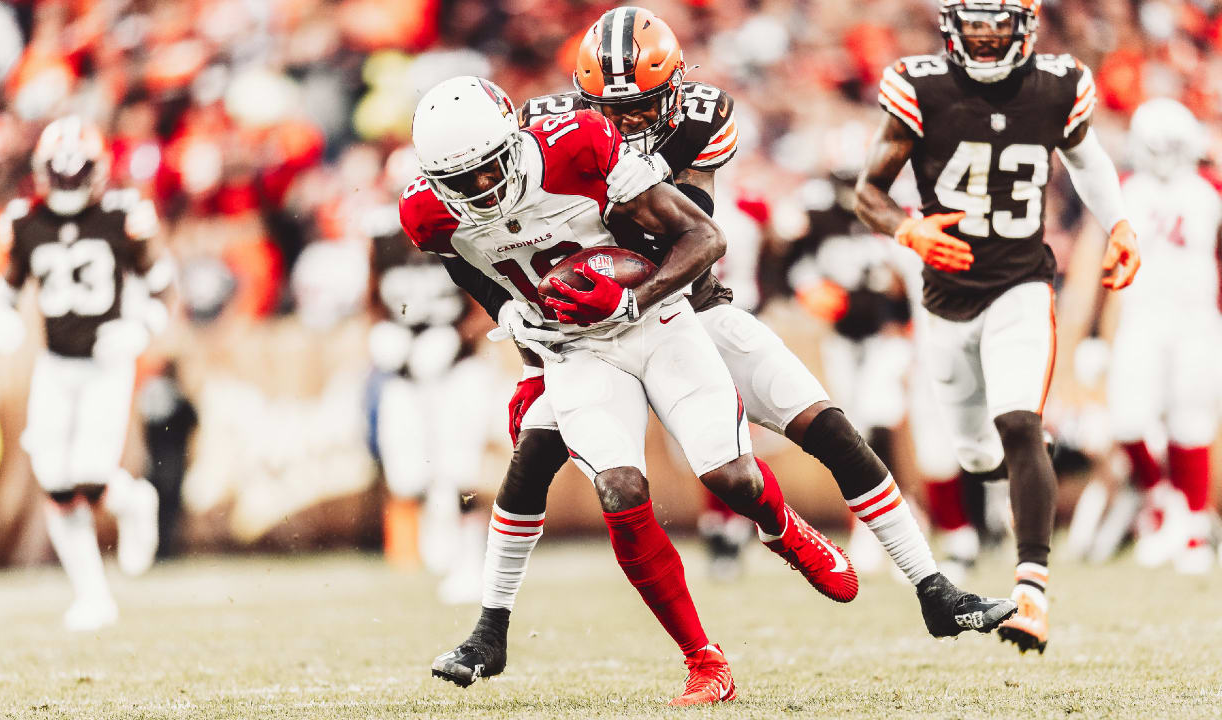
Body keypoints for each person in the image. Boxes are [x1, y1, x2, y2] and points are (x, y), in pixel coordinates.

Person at [432, 6, 1015, 687]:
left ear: (674, 89)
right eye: (607, 110)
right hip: (584, 336)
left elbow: (694, 230)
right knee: (533, 459)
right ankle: (489, 629)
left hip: (687, 307)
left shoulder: (701, 119)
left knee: (824, 426)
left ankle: (934, 589)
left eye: (640, 108)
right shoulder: (547, 133)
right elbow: (486, 238)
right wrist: (516, 314)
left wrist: (623, 285)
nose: (622, 125)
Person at [402, 74, 864, 705]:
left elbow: (701, 235)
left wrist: (630, 298)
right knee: (616, 488)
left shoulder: (577, 145)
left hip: (658, 316)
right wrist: (521, 340)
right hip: (576, 347)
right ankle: (703, 661)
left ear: (514, 139)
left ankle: (781, 527)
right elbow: (479, 268)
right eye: (463, 181)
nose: (482, 189)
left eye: (489, 169)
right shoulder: (425, 212)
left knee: (731, 478)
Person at [852, 0, 1141, 654]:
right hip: (944, 300)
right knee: (975, 453)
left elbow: (1087, 157)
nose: (985, 40)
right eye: (974, 26)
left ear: (1025, 28)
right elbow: (867, 190)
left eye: (997, 26)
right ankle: (1022, 483)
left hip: (1021, 282)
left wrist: (1119, 220)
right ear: (953, 28)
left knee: (1019, 423)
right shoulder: (921, 87)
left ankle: (1032, 591)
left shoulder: (1055, 86)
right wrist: (907, 227)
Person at [0, 116, 169, 631]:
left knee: (90, 478)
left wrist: (139, 329)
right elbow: (7, 290)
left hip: (106, 363)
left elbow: (162, 288)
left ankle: (135, 499)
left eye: (77, 172)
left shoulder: (124, 214)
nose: (68, 182)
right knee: (55, 481)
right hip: (56, 364)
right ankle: (93, 596)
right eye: (60, 172)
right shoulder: (24, 219)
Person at [1096, 99, 1222, 574]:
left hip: (1195, 321)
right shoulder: (1123, 191)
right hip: (1141, 317)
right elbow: (1103, 261)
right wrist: (1090, 334)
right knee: (1126, 420)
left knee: (1191, 422)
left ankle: (1191, 535)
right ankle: (1164, 502)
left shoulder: (1211, 190)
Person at [365, 198, 497, 602]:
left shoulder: (457, 237)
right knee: (408, 473)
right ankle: (444, 551)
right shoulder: (383, 243)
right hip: (407, 373)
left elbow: (491, 303)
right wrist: (386, 336)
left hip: (458, 370)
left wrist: (455, 338)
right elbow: (371, 302)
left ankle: (473, 561)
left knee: (461, 469)